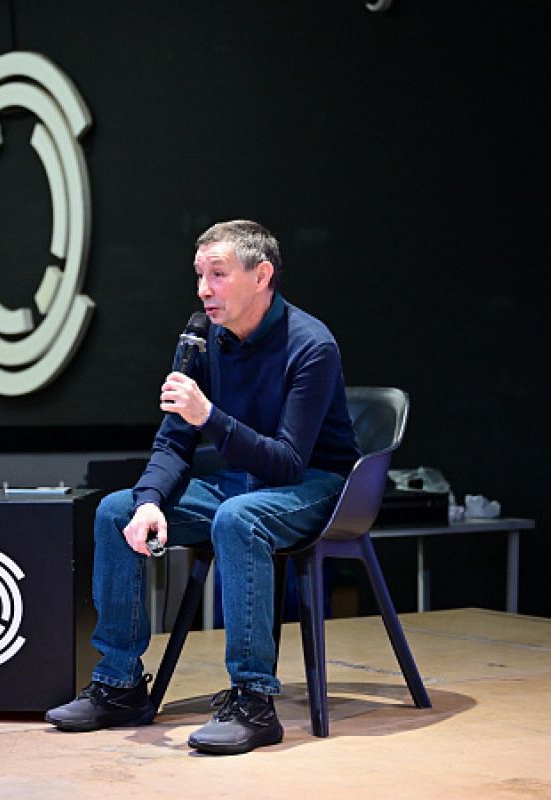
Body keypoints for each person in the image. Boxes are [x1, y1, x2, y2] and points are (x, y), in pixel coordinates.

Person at [45, 220, 360, 755]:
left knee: (239, 518)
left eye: (218, 274)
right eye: (199, 275)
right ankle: (120, 685)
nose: (203, 289)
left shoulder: (311, 345)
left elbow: (287, 463)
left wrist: (209, 416)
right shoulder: (203, 338)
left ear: (261, 276)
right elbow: (174, 441)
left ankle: (253, 701)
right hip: (240, 483)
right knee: (116, 510)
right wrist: (150, 502)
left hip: (317, 485)